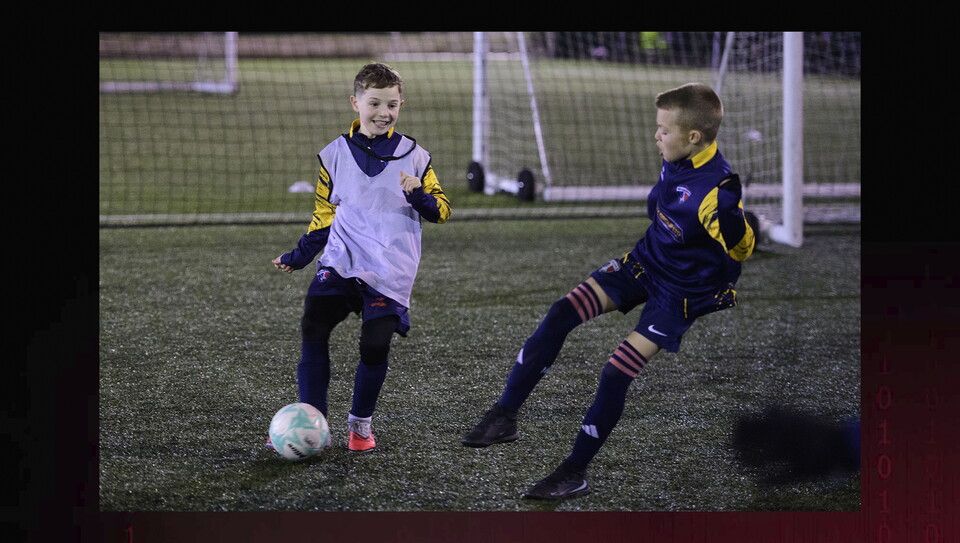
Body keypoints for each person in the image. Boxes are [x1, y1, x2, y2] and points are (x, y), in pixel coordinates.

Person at [461, 83, 755, 499]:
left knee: (616, 370)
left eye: (663, 130)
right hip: (645, 263)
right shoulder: (679, 155)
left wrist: (733, 223)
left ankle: (574, 471)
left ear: (693, 137)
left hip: (680, 295)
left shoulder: (715, 191)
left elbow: (742, 248)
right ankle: (504, 415)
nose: (656, 136)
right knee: (562, 312)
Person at [271, 62, 451, 452]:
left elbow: (442, 210)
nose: (383, 113)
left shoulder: (415, 156)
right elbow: (324, 214)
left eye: (392, 105)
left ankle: (360, 426)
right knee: (314, 325)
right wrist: (301, 255)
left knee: (374, 346)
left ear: (401, 104)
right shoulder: (334, 155)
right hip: (342, 259)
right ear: (356, 103)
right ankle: (311, 424)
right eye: (374, 103)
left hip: (390, 267)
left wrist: (418, 194)